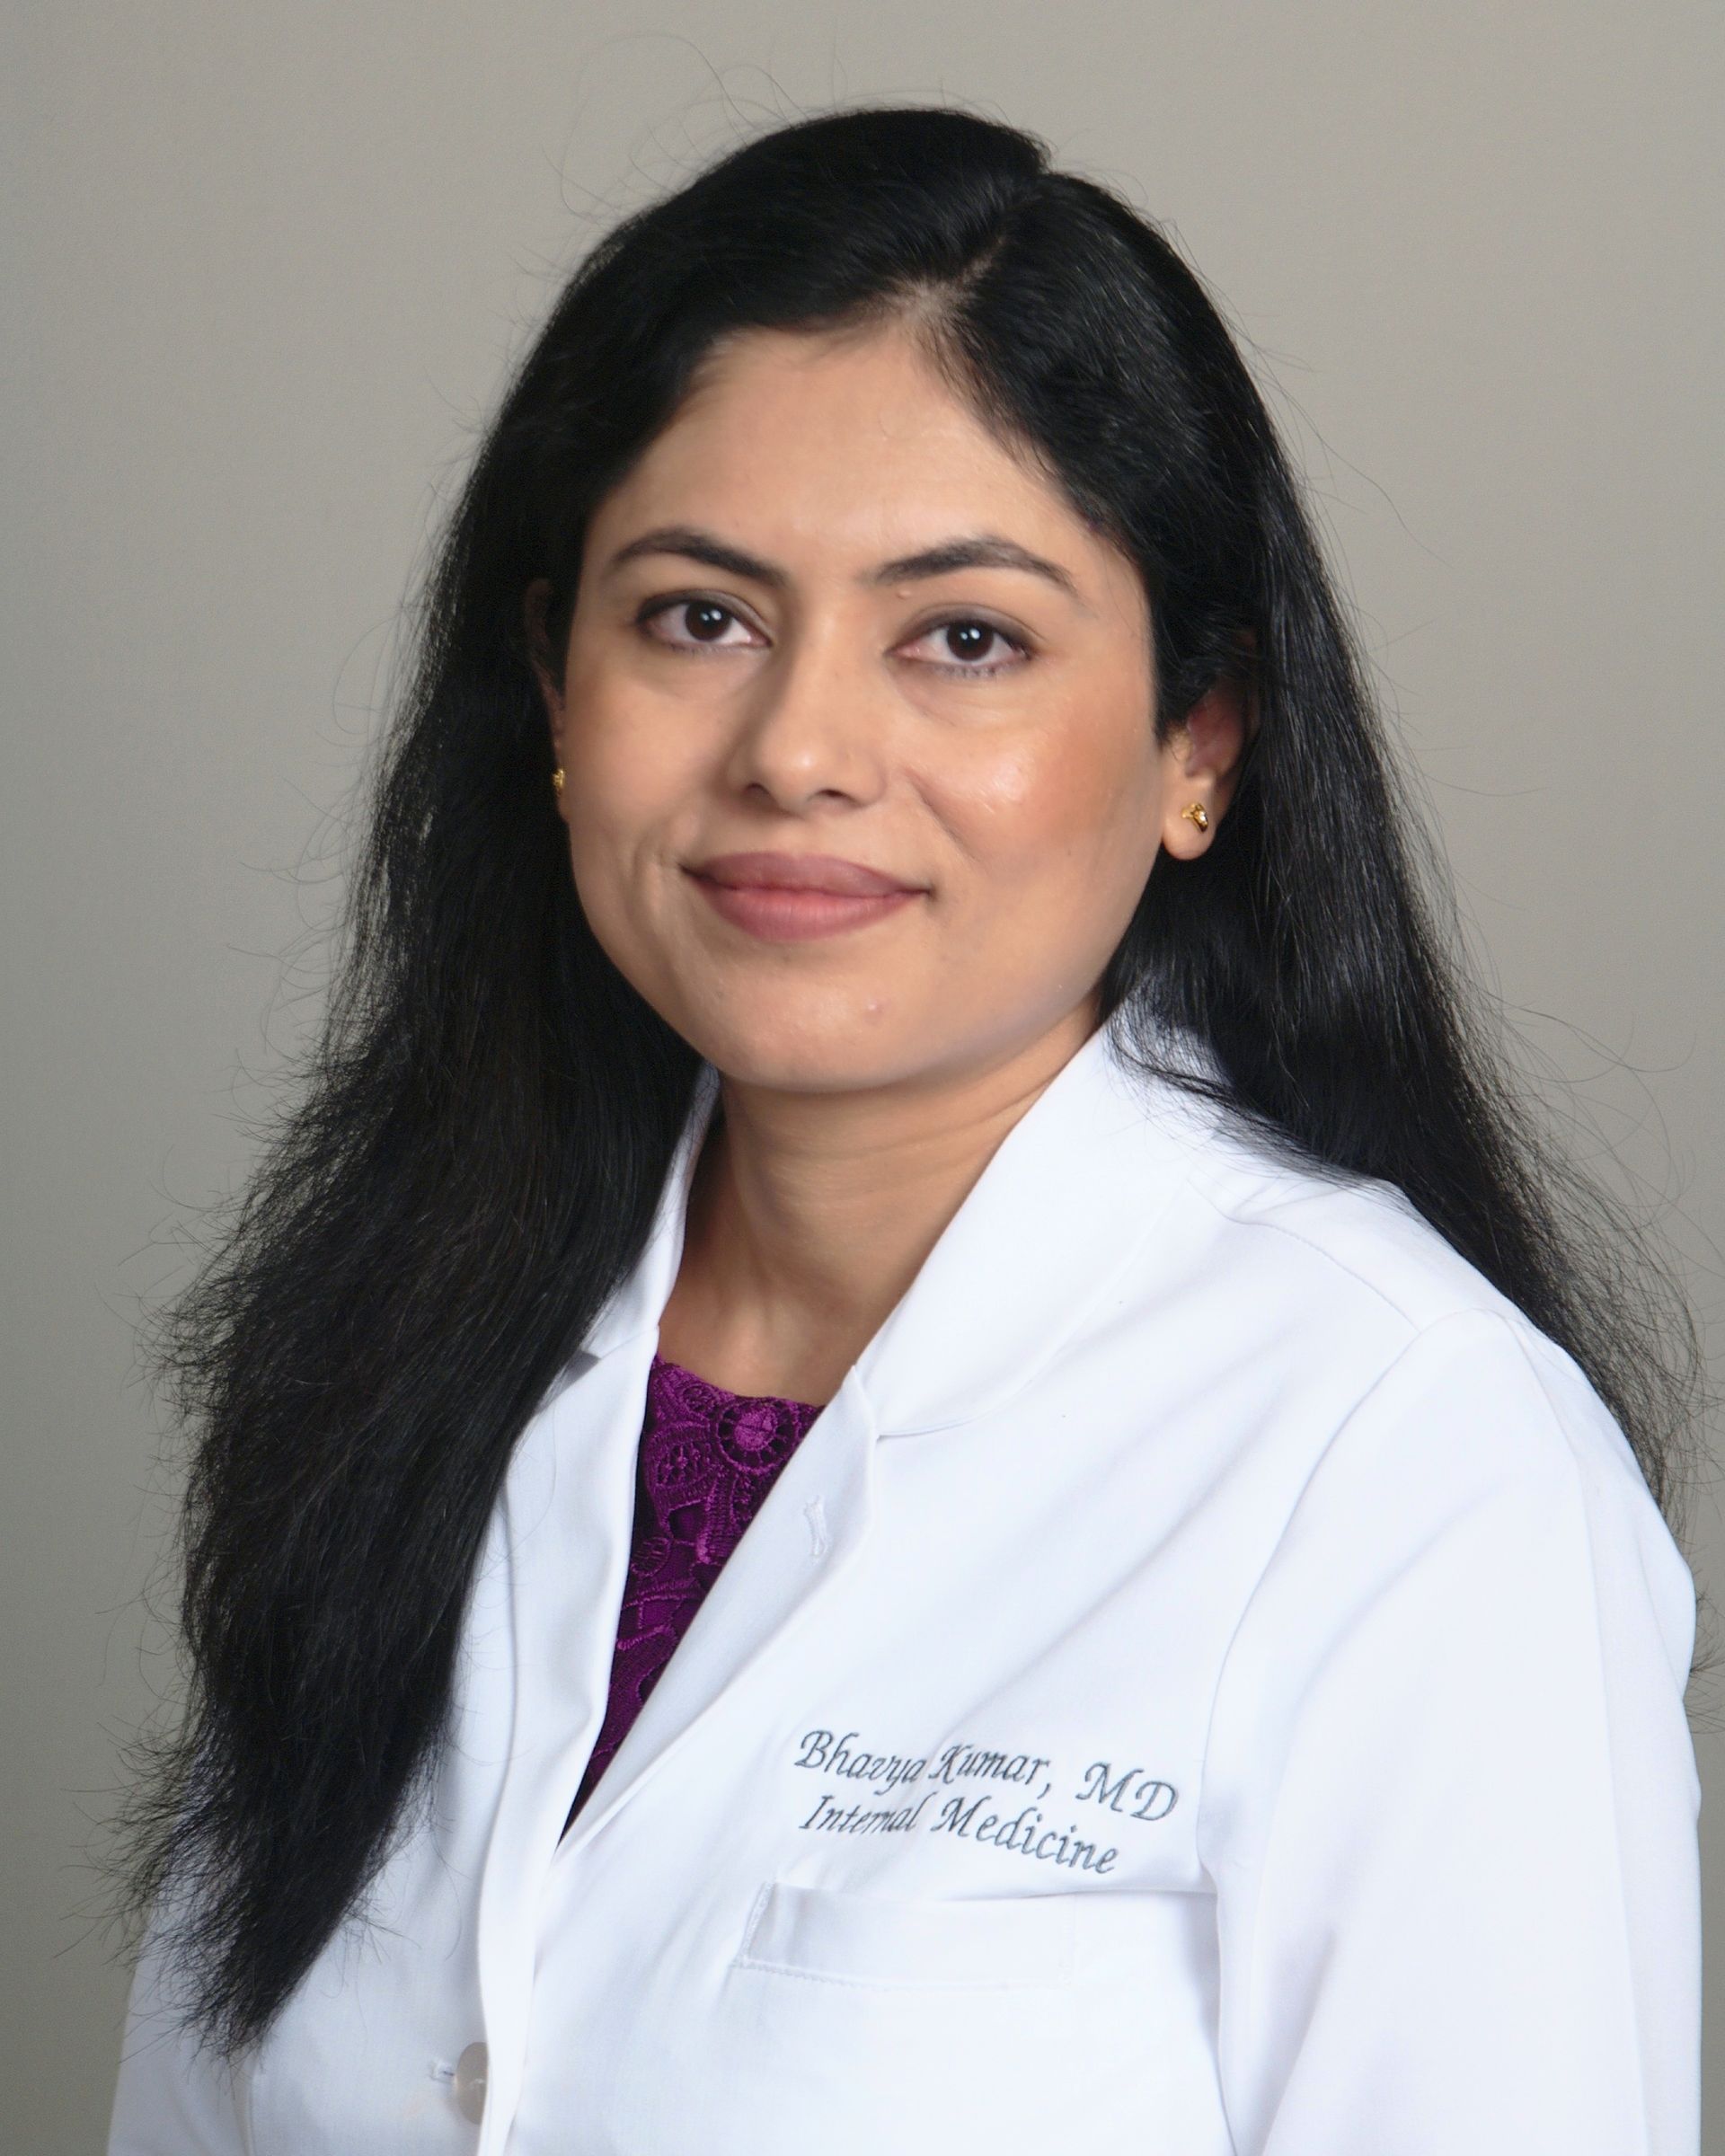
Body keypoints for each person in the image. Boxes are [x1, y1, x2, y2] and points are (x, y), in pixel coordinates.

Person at [107, 102, 1709, 2154]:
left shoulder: (1414, 1462)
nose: (799, 752)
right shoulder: (395, 1343)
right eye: (698, 616)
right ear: (554, 689)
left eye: (966, 638)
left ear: (1201, 741)